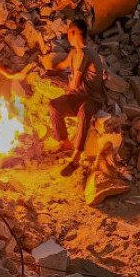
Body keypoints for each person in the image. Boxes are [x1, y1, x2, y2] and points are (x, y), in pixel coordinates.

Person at [48, 18, 106, 177]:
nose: (68, 37)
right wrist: (48, 69)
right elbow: (63, 65)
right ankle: (65, 143)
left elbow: (75, 82)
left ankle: (76, 157)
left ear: (73, 33)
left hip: (92, 99)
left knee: (84, 111)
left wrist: (68, 86)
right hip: (78, 96)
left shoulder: (86, 53)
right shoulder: (74, 53)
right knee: (54, 106)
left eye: (69, 33)